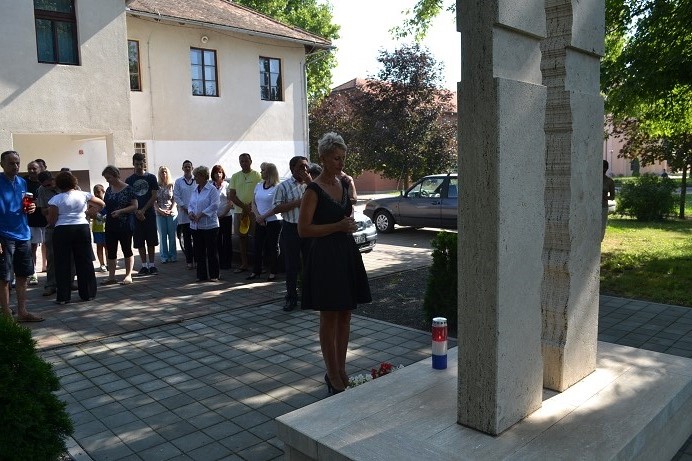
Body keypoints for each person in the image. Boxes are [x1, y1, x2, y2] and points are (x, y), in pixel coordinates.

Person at [298, 133, 371, 394]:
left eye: (343, 158)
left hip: (346, 253)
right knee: (329, 316)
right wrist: (337, 226)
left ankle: (341, 369)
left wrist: (348, 225)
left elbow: (343, 218)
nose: (341, 163)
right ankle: (331, 372)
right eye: (336, 158)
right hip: (325, 257)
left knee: (345, 313)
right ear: (323, 158)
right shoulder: (313, 190)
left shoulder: (343, 183)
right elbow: (303, 230)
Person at [47, 172, 104, 304]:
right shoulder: (84, 194)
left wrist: (52, 222)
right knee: (85, 261)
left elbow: (52, 220)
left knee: (62, 263)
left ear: (59, 184)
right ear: (74, 182)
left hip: (62, 230)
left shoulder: (55, 199)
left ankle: (63, 297)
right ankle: (88, 294)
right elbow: (101, 204)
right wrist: (89, 212)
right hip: (81, 228)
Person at [0, 150, 43, 322]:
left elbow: (25, 204)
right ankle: (6, 314)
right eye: (11, 163)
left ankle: (22, 312)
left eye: (17, 163)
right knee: (4, 277)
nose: (15, 166)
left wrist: (31, 208)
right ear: (2, 164)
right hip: (3, 235)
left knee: (23, 274)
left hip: (23, 234)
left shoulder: (22, 182)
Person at [272, 156, 312, 311]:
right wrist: (298, 202)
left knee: (309, 264)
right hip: (291, 228)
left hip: (309, 229)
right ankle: (291, 298)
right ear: (292, 168)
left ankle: (308, 297)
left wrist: (310, 183)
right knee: (291, 265)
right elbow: (277, 208)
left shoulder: (311, 185)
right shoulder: (283, 186)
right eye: (301, 166)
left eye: (306, 166)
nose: (305, 169)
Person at [101, 165, 138, 285]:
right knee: (111, 250)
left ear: (116, 175)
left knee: (126, 249)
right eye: (106, 178)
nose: (107, 180)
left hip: (125, 224)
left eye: (109, 178)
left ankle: (128, 275)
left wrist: (121, 211)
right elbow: (106, 205)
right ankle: (111, 276)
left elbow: (135, 206)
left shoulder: (128, 189)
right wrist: (99, 214)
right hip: (110, 224)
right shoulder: (108, 189)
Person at [125, 153, 159, 275]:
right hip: (135, 215)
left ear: (144, 163)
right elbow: (128, 199)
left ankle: (152, 265)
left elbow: (154, 196)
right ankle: (144, 265)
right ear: (133, 164)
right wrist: (137, 211)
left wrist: (143, 210)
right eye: (137, 164)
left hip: (149, 213)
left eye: (141, 164)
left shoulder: (151, 178)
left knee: (151, 240)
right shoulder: (129, 180)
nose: (139, 166)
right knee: (139, 241)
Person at [247, 163, 281, 281]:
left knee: (272, 247)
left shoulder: (277, 187)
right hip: (259, 221)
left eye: (263, 170)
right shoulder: (258, 185)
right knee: (257, 246)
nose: (261, 172)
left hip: (273, 221)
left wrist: (264, 217)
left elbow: (277, 206)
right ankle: (256, 271)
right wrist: (258, 217)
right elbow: (253, 202)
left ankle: (273, 271)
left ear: (270, 172)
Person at [228, 153, 261, 272]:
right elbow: (232, 195)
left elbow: (260, 192)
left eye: (246, 161)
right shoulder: (235, 176)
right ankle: (244, 264)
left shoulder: (257, 175)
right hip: (239, 212)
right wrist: (244, 207)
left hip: (254, 212)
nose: (244, 163)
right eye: (241, 161)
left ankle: (258, 265)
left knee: (257, 238)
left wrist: (250, 207)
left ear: (251, 161)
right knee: (242, 238)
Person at [188, 165, 220, 282]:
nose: (194, 178)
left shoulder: (212, 189)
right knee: (199, 252)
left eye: (196, 176)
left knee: (211, 251)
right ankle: (201, 275)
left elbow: (215, 205)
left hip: (209, 226)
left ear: (203, 176)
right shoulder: (195, 190)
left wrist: (202, 214)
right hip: (196, 226)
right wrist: (190, 212)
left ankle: (214, 275)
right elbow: (191, 204)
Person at [25, 160, 47, 284]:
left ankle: (49, 272)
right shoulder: (24, 182)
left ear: (40, 169)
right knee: (32, 247)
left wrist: (38, 203)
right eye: (29, 168)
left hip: (46, 219)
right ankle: (33, 273)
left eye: (34, 168)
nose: (31, 171)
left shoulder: (45, 183)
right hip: (31, 221)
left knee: (48, 246)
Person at [173, 160, 196, 270]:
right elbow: (176, 196)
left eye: (189, 166)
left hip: (196, 215)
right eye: (185, 167)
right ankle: (189, 262)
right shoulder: (178, 182)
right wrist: (185, 208)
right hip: (184, 215)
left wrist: (194, 210)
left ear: (192, 168)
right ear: (182, 168)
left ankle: (197, 260)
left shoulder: (196, 180)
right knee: (187, 240)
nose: (187, 168)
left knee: (197, 239)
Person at [211, 164, 233, 270]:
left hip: (226, 216)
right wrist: (215, 215)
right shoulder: (211, 187)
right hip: (214, 218)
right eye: (216, 172)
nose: (218, 174)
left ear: (223, 174)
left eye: (220, 172)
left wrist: (223, 214)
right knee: (217, 240)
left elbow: (230, 202)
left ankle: (228, 262)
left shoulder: (227, 185)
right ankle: (220, 261)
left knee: (227, 240)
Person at [155, 166, 177, 264]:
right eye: (162, 172)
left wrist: (171, 209)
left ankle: (173, 255)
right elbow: (154, 201)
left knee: (172, 236)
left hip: (171, 213)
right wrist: (160, 210)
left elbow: (175, 199)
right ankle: (164, 256)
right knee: (162, 236)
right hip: (160, 214)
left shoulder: (172, 185)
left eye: (165, 172)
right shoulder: (156, 186)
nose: (163, 174)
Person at [91, 184, 107, 272]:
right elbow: (90, 214)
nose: (96, 194)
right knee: (99, 246)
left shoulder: (107, 201)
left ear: (103, 191)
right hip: (97, 228)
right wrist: (97, 216)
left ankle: (109, 262)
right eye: (95, 192)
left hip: (106, 228)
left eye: (98, 192)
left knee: (107, 246)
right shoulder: (92, 203)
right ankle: (102, 264)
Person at [602, 160, 615, 241]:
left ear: (606, 168)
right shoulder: (592, 180)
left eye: (602, 167)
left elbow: (613, 197)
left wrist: (605, 197)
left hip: (603, 207)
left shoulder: (609, 181)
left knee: (602, 227)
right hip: (592, 206)